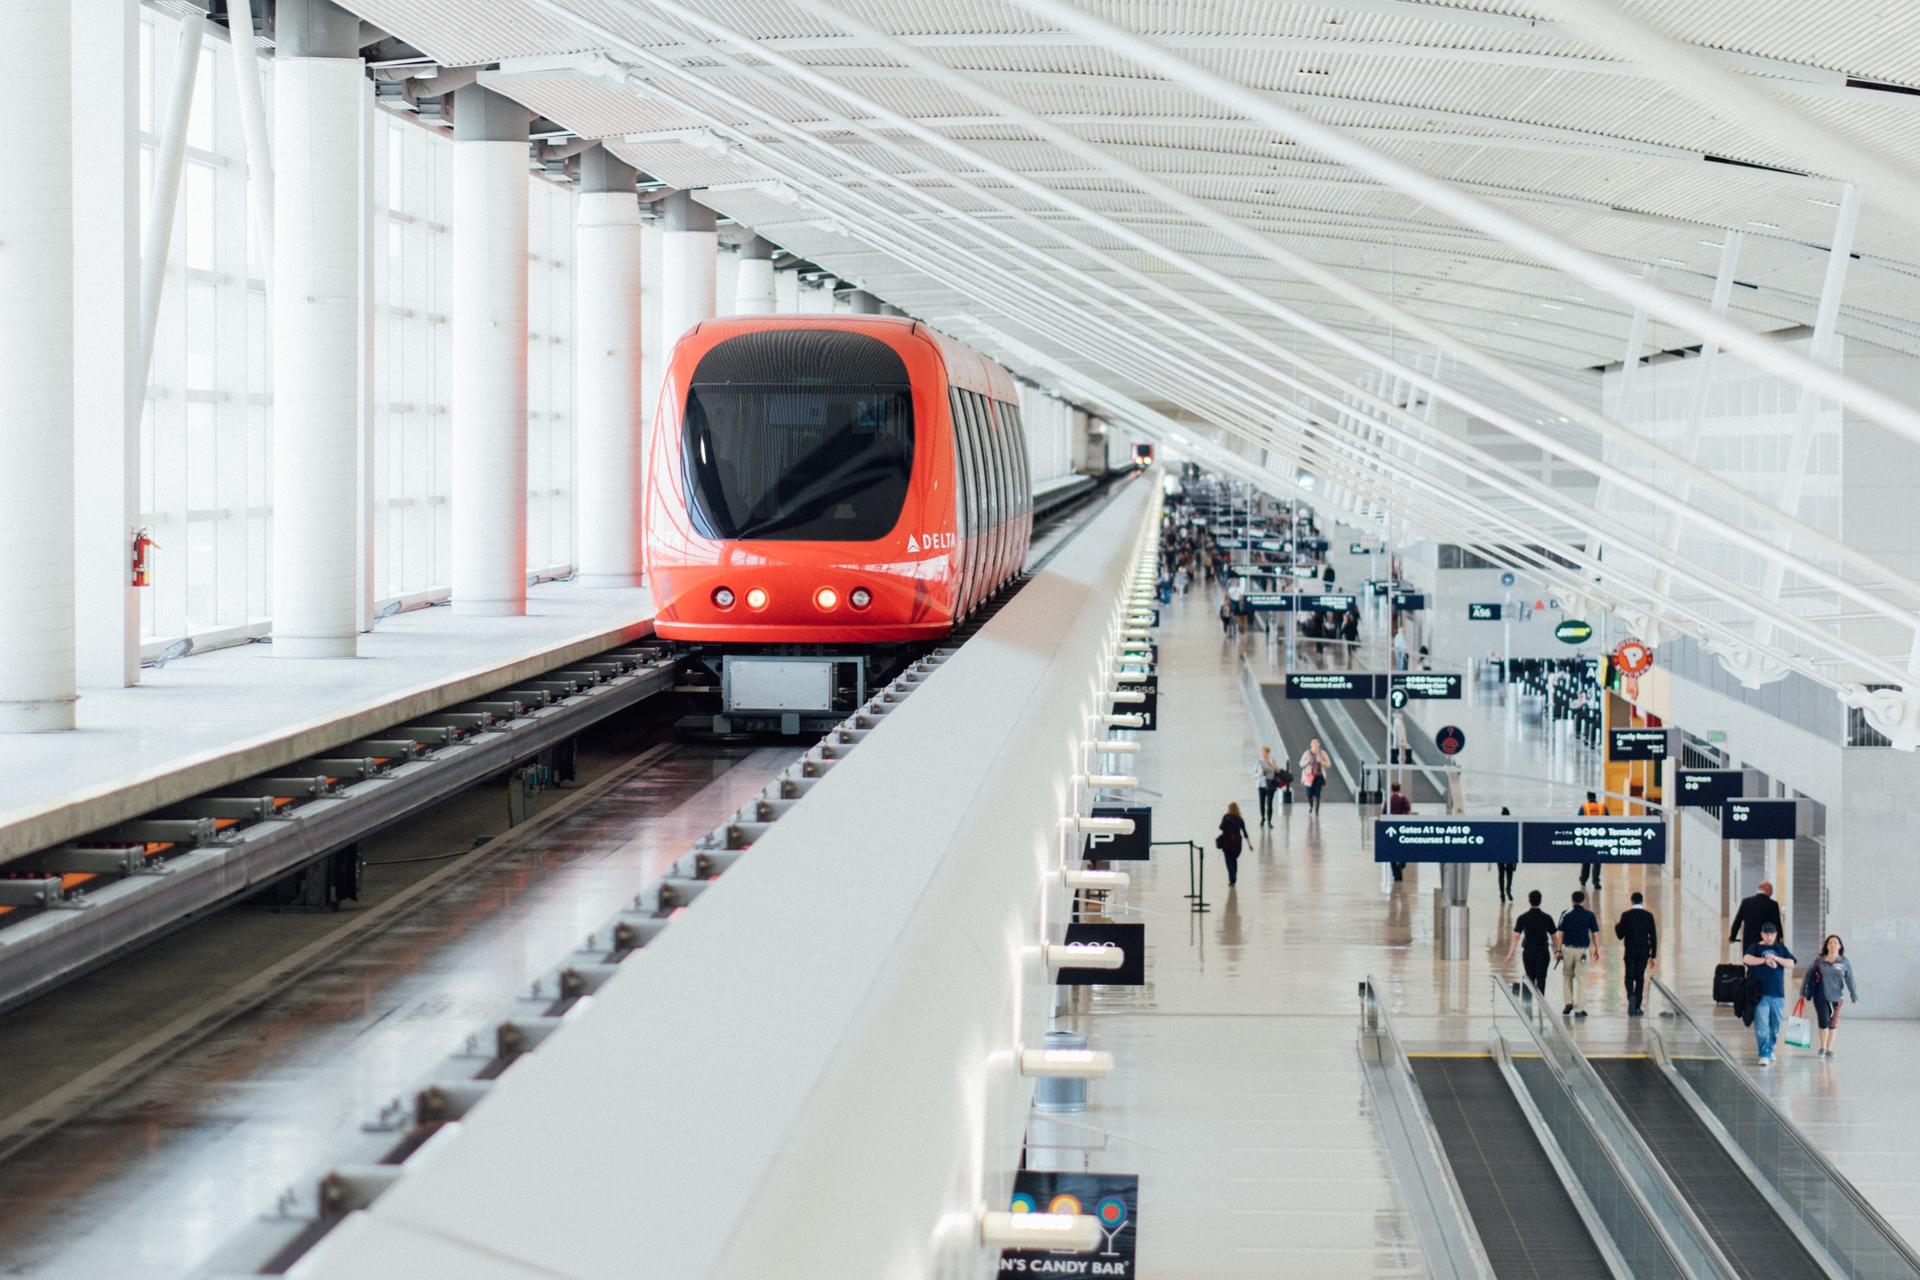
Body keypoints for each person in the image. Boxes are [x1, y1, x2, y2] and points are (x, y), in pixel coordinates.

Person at [1742, 920, 1796, 1066]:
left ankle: (1770, 1048)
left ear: (1776, 935)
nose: (1769, 937)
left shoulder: (1780, 948)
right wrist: (1764, 960)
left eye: (1772, 934)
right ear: (1762, 934)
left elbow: (1791, 963)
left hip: (1778, 993)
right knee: (1762, 1025)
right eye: (1766, 934)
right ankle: (1764, 1053)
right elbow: (1746, 959)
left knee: (1776, 1024)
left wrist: (1776, 958)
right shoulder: (1755, 947)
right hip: (1760, 994)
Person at [1801, 934, 1859, 1058]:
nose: (1833, 944)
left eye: (1835, 942)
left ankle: (1829, 1048)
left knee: (1833, 1024)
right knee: (1824, 1022)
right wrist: (1802, 992)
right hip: (1820, 996)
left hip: (1837, 998)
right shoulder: (1819, 961)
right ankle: (1823, 1047)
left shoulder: (1844, 962)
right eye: (1830, 942)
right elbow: (1807, 976)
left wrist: (1853, 994)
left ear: (1840, 946)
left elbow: (1850, 979)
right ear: (1826, 946)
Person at [1555, 890, 1602, 1017]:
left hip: (1567, 949)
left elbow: (1560, 935)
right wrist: (1597, 949)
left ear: (1572, 900)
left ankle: (1568, 1002)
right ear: (1584, 901)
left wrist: (1558, 951)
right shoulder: (1589, 915)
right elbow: (1595, 934)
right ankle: (1579, 1009)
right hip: (1582, 951)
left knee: (1567, 976)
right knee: (1582, 979)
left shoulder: (1565, 914)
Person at [1615, 891, 1659, 1016]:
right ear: (1642, 901)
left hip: (1630, 950)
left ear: (1632, 901)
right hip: (1644, 951)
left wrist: (1617, 926)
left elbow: (1620, 935)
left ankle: (1631, 996)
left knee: (1629, 976)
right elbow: (1654, 936)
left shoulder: (1626, 915)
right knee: (1640, 978)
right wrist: (1653, 955)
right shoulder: (1648, 916)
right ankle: (1638, 1007)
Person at [1507, 890, 1556, 996]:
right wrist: (1557, 951)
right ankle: (1541, 1002)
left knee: (1529, 977)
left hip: (1528, 951)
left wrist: (1510, 953)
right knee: (1542, 977)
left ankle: (1528, 1003)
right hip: (1543, 951)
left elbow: (1516, 936)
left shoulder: (1523, 917)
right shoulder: (1547, 918)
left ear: (1529, 901)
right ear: (1540, 901)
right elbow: (1554, 937)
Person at [1730, 881, 1784, 948]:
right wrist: (1780, 941)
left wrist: (1732, 937)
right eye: (1771, 890)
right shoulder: (1773, 904)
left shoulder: (1746, 902)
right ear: (1767, 890)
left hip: (1749, 941)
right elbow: (1777, 924)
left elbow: (1737, 921)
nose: (1772, 893)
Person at [1577, 791, 1608, 892]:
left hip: (1586, 837)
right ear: (1595, 797)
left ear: (1587, 797)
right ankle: (1596, 882)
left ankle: (1583, 879)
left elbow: (1578, 821)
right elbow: (1610, 821)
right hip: (1600, 837)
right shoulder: (1602, 807)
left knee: (1586, 860)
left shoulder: (1584, 807)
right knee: (1597, 861)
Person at [1216, 802, 1250, 888]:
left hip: (1227, 842)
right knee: (1234, 860)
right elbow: (1244, 831)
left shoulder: (1226, 817)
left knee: (1228, 861)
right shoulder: (1240, 819)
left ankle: (1232, 879)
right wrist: (1249, 844)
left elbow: (1221, 827)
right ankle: (1234, 878)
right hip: (1237, 843)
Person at [1385, 781, 1412, 881]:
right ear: (1399, 789)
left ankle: (1395, 872)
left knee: (1392, 851)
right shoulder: (1403, 799)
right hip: (1401, 827)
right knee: (1403, 849)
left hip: (1391, 828)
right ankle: (1401, 864)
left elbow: (1383, 814)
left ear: (1392, 789)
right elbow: (1408, 812)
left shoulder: (1389, 800)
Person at [1298, 738, 1331, 815]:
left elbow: (1328, 764)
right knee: (1309, 793)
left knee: (1317, 793)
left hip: (1319, 775)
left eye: (1316, 743)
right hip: (1309, 775)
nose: (1315, 745)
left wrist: (1322, 761)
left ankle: (1316, 810)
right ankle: (1311, 805)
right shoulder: (1307, 753)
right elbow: (1300, 764)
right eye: (1313, 743)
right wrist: (1307, 761)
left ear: (1319, 744)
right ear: (1311, 745)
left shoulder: (1322, 753)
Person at [1254, 746, 1284, 827]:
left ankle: (1269, 821)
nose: (1263, 754)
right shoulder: (1258, 762)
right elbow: (1254, 774)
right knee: (1262, 803)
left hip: (1270, 785)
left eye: (1265, 753)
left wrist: (1272, 764)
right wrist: (1259, 774)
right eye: (1262, 753)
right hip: (1261, 785)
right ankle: (1263, 818)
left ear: (1268, 753)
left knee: (1269, 803)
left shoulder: (1272, 760)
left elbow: (1278, 771)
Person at [1496, 806, 1517, 903]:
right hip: (1508, 854)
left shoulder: (1498, 826)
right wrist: (1515, 862)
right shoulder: (1512, 826)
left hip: (1500, 854)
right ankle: (1507, 890)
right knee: (1509, 874)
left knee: (1501, 875)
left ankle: (1502, 894)